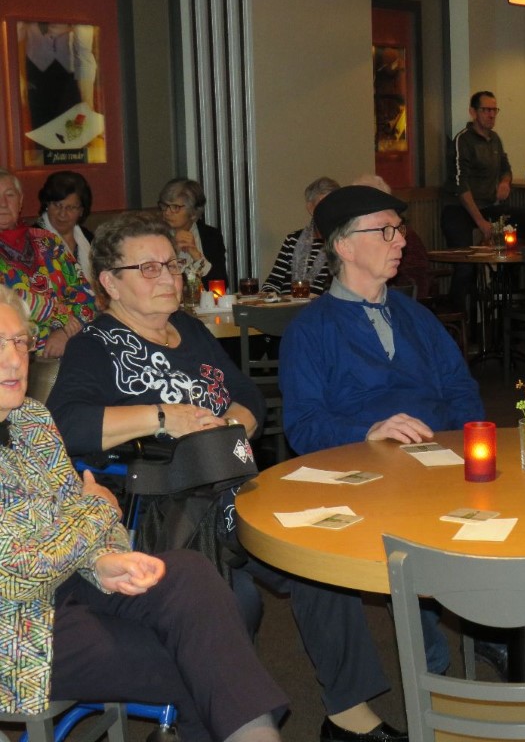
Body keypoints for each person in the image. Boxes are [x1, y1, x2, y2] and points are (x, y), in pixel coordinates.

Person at [46, 213, 407, 742]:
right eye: (148, 268)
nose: (168, 277)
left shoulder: (191, 329)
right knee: (235, 597)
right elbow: (65, 422)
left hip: (231, 489)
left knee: (317, 555)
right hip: (165, 511)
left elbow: (248, 395)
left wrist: (232, 425)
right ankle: (225, 722)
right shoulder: (95, 346)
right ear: (110, 282)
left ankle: (349, 715)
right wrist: (164, 416)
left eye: (171, 264)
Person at [0, 285, 288, 742]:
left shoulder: (31, 419)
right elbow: (20, 571)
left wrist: (103, 559)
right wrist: (96, 511)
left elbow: (73, 511)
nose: (15, 359)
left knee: (188, 573)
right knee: (200, 661)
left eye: (20, 341)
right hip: (14, 632)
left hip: (69, 583)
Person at [279, 185, 485, 677]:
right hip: (364, 473)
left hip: (440, 463)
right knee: (408, 531)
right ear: (345, 246)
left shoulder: (417, 317)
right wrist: (368, 430)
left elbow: (462, 391)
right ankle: (431, 662)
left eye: (400, 229)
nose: (402, 241)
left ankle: (495, 626)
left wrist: (461, 449)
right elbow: (303, 426)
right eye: (386, 231)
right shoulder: (310, 331)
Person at [441, 91, 525, 312]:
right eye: (486, 110)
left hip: (488, 207)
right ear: (473, 112)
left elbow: (506, 169)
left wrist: (505, 182)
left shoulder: (495, 139)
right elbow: (460, 186)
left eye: (494, 110)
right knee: (466, 266)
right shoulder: (463, 140)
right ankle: (457, 317)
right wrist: (481, 223)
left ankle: (511, 295)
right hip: (459, 209)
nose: (491, 115)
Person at [0, 168, 94, 358]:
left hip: (68, 345)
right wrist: (58, 314)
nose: (2, 203)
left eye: (9, 195)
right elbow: (9, 299)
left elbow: (85, 294)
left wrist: (65, 333)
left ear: (20, 201)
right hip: (11, 351)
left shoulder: (49, 242)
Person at [261, 176, 339, 297]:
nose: (329, 210)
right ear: (310, 208)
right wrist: (269, 297)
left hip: (320, 305)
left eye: (334, 204)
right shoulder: (293, 240)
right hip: (286, 305)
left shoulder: (340, 243)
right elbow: (273, 282)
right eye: (323, 204)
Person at [158, 177, 228, 287]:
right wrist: (173, 250)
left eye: (175, 207)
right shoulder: (156, 236)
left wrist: (196, 256)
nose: (166, 212)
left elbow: (220, 284)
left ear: (193, 212)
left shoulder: (211, 235)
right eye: (164, 206)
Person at [35, 170, 95, 283]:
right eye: (57, 205)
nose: (62, 214)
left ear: (81, 211)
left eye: (71, 208)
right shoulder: (34, 239)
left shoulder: (89, 239)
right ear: (47, 204)